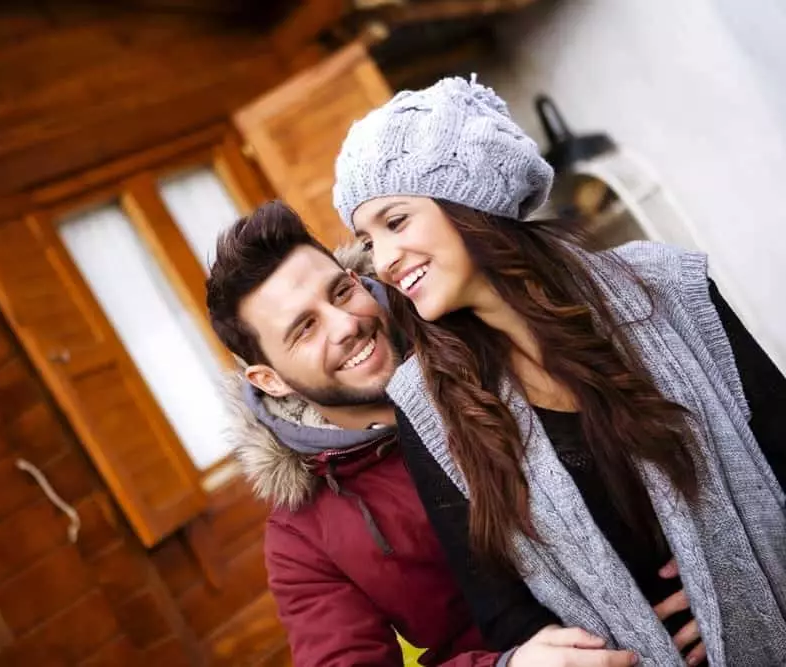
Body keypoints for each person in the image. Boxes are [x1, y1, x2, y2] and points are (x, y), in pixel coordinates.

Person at [332, 75, 786, 666]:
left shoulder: (669, 290)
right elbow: (498, 608)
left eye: (397, 222)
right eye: (368, 240)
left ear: (470, 201)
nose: (384, 261)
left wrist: (734, 589)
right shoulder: (426, 405)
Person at [205, 200, 646, 667]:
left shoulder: (492, 336)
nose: (347, 325)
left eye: (339, 293)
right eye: (305, 328)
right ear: (268, 380)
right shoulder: (304, 536)